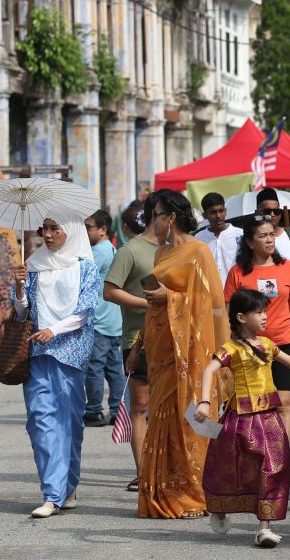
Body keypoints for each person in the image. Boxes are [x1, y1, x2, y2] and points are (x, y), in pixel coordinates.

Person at [194, 288, 290, 548]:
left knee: (273, 466)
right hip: (238, 419)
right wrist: (205, 402)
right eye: (259, 312)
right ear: (241, 317)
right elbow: (208, 371)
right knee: (230, 467)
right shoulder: (231, 349)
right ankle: (220, 507)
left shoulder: (267, 345)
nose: (265, 316)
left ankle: (264, 527)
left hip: (269, 419)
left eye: (265, 311)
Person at [137, 190, 227, 519]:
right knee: (162, 417)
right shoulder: (161, 253)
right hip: (161, 348)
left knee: (189, 418)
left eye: (155, 215)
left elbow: (210, 304)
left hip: (189, 351)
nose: (151, 222)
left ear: (171, 216)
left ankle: (194, 493)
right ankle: (165, 489)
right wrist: (139, 345)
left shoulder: (197, 251)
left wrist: (170, 297)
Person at [12, 209, 101, 519]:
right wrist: (20, 288)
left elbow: (85, 311)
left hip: (71, 353)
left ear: (71, 232)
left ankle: (68, 486)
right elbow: (23, 314)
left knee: (69, 423)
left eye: (55, 229)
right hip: (37, 354)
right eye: (44, 229)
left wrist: (55, 330)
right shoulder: (33, 265)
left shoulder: (84, 266)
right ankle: (52, 493)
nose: (48, 235)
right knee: (39, 421)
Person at [224, 214, 290, 435]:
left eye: (271, 234)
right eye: (262, 236)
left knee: (283, 405)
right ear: (250, 242)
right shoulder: (237, 273)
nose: (269, 240)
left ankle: (282, 465)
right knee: (255, 409)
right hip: (248, 349)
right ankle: (261, 460)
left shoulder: (287, 267)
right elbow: (229, 313)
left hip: (283, 344)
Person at [102, 197, 160, 493]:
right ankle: (144, 472)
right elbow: (109, 292)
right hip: (137, 340)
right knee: (140, 407)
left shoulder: (180, 250)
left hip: (176, 341)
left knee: (173, 407)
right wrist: (148, 303)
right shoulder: (130, 250)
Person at [83, 210, 124, 427]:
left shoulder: (98, 252)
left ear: (102, 230)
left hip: (100, 319)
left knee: (94, 368)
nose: (85, 231)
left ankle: (94, 410)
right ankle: (117, 410)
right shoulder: (111, 249)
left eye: (88, 227)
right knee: (113, 368)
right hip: (113, 319)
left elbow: (81, 277)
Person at [195, 192, 243, 282]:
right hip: (209, 293)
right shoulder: (198, 239)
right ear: (205, 215)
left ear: (226, 211)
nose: (218, 216)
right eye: (213, 212)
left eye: (221, 211)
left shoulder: (240, 234)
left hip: (237, 292)